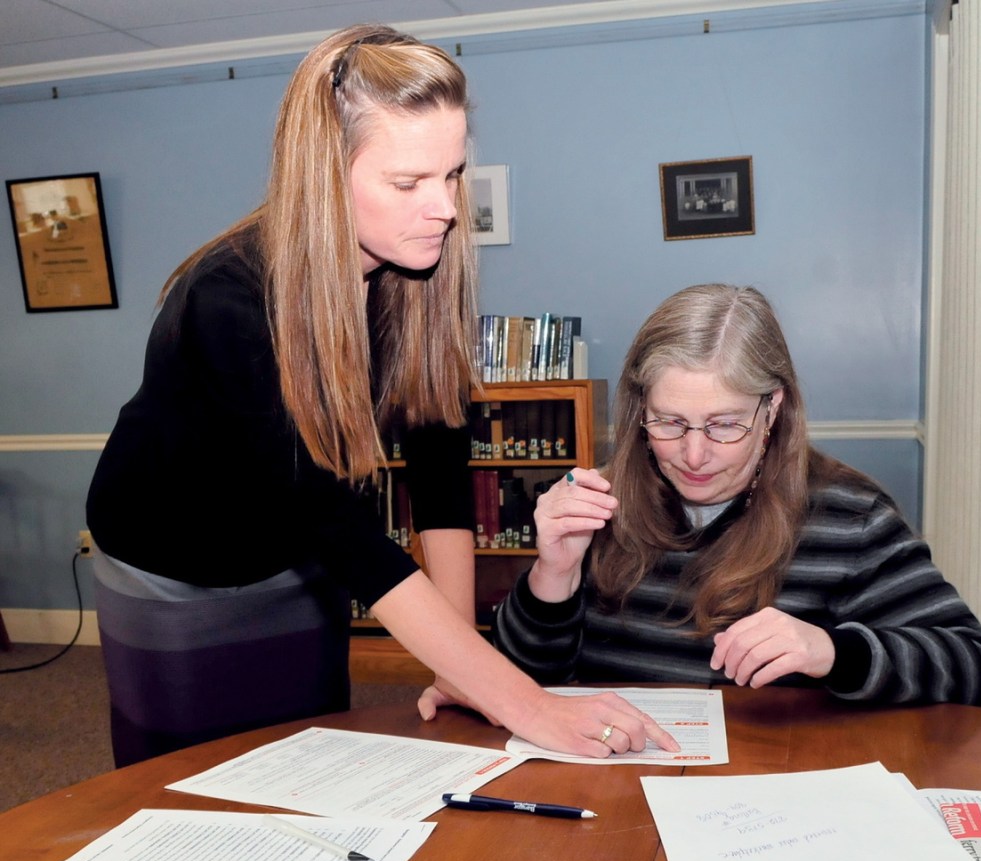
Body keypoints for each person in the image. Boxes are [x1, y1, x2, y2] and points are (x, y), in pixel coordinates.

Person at [86, 24, 675, 766]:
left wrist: (457, 666)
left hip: (294, 559)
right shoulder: (229, 297)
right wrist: (528, 704)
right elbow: (331, 517)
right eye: (408, 183)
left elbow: (438, 471)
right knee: (184, 779)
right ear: (325, 174)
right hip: (171, 561)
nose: (447, 208)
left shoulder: (421, 271)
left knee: (307, 757)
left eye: (452, 174)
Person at [492, 284, 981, 706]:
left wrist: (831, 650)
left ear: (772, 408)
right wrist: (552, 574)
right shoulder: (598, 504)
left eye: (724, 425)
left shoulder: (850, 516)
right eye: (670, 422)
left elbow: (973, 665)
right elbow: (517, 683)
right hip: (614, 791)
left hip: (775, 793)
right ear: (639, 407)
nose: (693, 455)